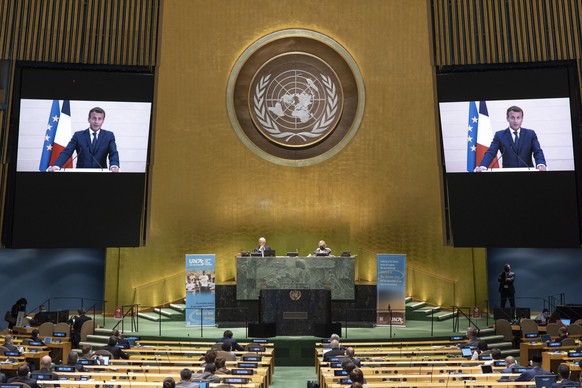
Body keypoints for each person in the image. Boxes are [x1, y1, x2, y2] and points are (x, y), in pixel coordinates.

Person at [475, 105, 547, 171]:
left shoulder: (530, 134)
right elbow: (491, 152)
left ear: (522, 119)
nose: (516, 121)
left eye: (518, 118)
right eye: (512, 118)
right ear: (507, 119)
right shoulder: (499, 135)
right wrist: (483, 166)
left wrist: (541, 164)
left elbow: (538, 151)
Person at [48, 107, 120, 172]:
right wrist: (56, 166)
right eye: (94, 118)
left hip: (101, 171)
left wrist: (114, 166)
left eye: (99, 119)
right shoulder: (78, 135)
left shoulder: (109, 136)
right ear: (89, 119)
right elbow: (67, 152)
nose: (96, 122)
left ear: (103, 120)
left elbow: (113, 153)